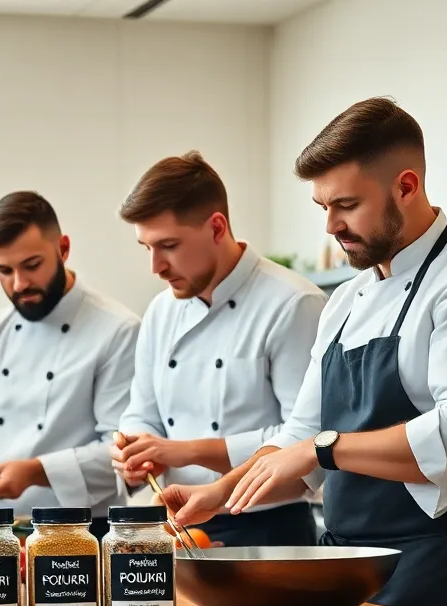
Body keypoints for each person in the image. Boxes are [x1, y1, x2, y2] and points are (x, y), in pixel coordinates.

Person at [162, 97, 447, 606]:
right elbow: (299, 439)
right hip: (344, 571)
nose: (330, 224)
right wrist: (219, 495)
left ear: (406, 187)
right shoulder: (347, 300)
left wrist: (325, 447)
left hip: (437, 567)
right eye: (322, 205)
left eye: (345, 204)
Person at [110, 151, 326, 547]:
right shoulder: (160, 311)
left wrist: (184, 451)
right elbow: (141, 410)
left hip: (268, 532)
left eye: (169, 245)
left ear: (216, 226)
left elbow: (304, 440)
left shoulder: (293, 304)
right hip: (176, 527)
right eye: (147, 248)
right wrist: (137, 448)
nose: (156, 266)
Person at [0, 191, 139, 535]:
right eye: (4, 271)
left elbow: (122, 454)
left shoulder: (117, 330)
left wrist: (37, 471)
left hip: (81, 530)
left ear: (63, 249)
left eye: (32, 266)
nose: (19, 284)